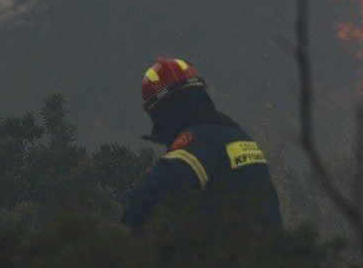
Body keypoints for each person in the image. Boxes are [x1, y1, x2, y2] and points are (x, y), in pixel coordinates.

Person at [121, 57, 283, 233]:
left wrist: (122, 233)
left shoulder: (197, 141)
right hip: (270, 255)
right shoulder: (240, 138)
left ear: (165, 109)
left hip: (229, 256)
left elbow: (156, 192)